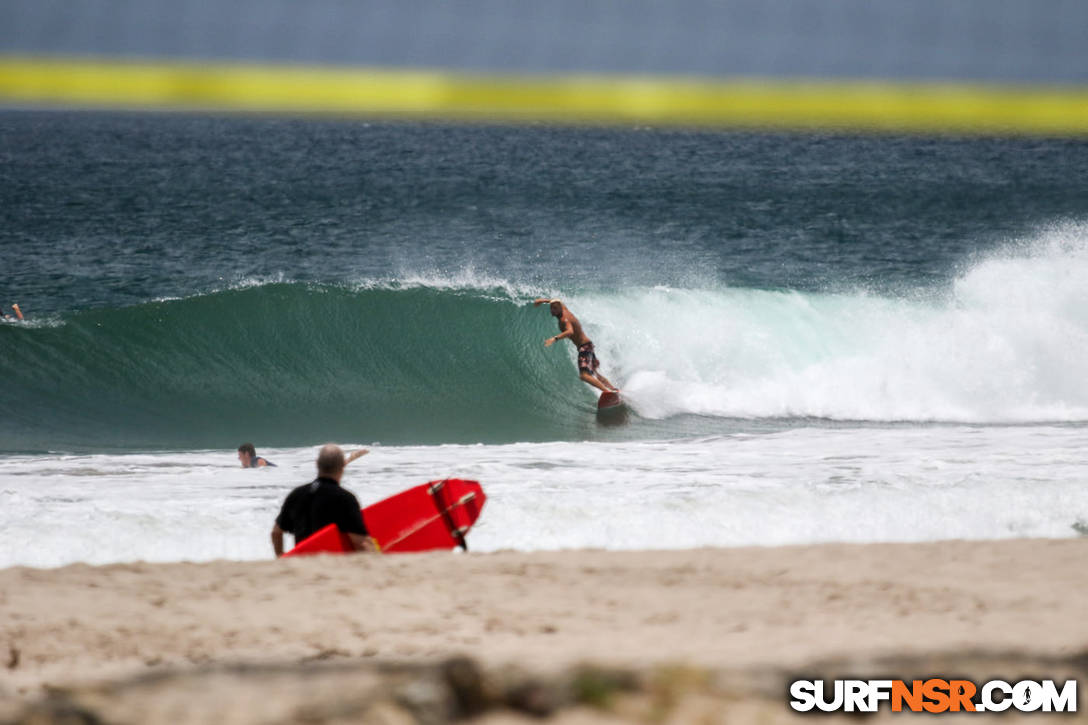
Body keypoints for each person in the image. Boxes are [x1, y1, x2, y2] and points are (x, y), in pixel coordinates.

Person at [271, 444, 374, 557]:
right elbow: (361, 543)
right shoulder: (345, 498)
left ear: (317, 465)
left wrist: (281, 556)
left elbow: (276, 533)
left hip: (302, 562)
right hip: (331, 563)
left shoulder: (297, 494)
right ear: (342, 468)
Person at [533, 297, 618, 394]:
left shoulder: (564, 319)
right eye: (551, 308)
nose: (552, 310)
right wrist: (542, 301)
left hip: (584, 347)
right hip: (588, 345)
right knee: (594, 373)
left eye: (555, 308)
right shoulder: (564, 308)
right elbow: (555, 301)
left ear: (560, 308)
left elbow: (570, 331)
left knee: (584, 375)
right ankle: (613, 389)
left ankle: (607, 392)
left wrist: (554, 338)